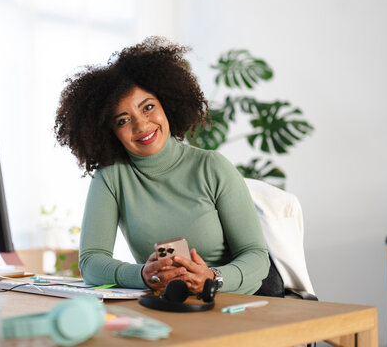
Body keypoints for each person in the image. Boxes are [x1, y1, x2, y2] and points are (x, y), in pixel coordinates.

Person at [54, 37, 271, 295]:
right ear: (110, 131)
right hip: (162, 309)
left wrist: (213, 278)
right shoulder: (111, 177)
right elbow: (91, 262)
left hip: (228, 307)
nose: (142, 125)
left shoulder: (212, 167)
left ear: (166, 104)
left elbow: (257, 256)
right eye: (123, 120)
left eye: (148, 107)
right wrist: (143, 276)